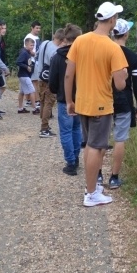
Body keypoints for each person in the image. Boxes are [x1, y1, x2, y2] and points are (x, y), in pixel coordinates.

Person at [65, 2, 128, 207]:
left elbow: (68, 75)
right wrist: (124, 75)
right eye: (115, 17)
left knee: (91, 145)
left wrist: (69, 100)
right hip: (101, 103)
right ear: (111, 21)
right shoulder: (113, 48)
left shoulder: (80, 41)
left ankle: (91, 186)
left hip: (82, 102)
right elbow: (120, 85)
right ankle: (91, 193)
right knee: (95, 146)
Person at [108, 18, 137, 188]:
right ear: (126, 34)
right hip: (124, 100)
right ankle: (114, 177)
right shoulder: (133, 57)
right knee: (119, 139)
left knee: (100, 139)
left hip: (104, 98)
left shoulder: (104, 51)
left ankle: (97, 175)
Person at [48, 23, 83, 175]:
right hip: (81, 98)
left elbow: (52, 81)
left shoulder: (57, 57)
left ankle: (71, 162)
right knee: (77, 128)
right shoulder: (83, 56)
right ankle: (76, 157)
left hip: (64, 99)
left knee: (66, 131)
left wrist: (57, 91)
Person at [37, 28, 64, 138]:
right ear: (62, 40)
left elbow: (37, 54)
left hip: (40, 76)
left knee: (43, 101)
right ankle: (44, 128)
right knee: (49, 102)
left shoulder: (45, 43)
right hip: (49, 79)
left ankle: (43, 124)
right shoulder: (55, 51)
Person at [16, 37, 38, 113]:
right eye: (31, 45)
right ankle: (35, 108)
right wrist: (27, 67)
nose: (32, 47)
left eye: (33, 46)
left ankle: (20, 108)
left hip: (25, 75)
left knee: (22, 92)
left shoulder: (27, 52)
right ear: (26, 44)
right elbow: (18, 62)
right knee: (32, 90)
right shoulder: (24, 52)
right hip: (24, 75)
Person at [25, 21, 43, 110]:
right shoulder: (29, 37)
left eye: (39, 28)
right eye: (37, 28)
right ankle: (36, 100)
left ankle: (28, 99)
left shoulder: (37, 37)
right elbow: (28, 49)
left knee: (33, 80)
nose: (38, 30)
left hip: (37, 61)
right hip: (32, 61)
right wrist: (34, 54)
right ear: (32, 28)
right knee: (34, 81)